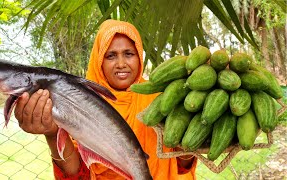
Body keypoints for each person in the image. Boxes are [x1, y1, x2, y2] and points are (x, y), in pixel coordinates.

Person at [14, 19, 197, 179]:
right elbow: (78, 176)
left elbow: (181, 165)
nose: (121, 64)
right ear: (99, 60)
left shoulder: (161, 100)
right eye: (111, 56)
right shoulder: (80, 103)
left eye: (128, 54)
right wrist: (52, 134)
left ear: (139, 56)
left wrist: (196, 138)